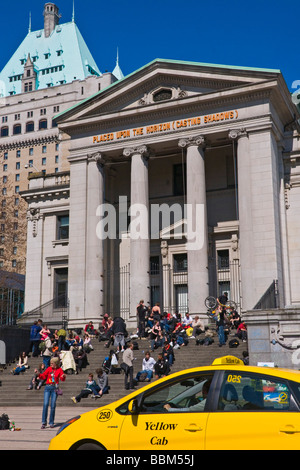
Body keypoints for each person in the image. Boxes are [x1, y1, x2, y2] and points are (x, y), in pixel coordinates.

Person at [39, 357, 66, 429]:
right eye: (50, 363)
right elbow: (43, 376)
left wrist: (63, 376)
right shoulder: (49, 369)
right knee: (45, 404)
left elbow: (62, 379)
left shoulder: (59, 370)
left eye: (52, 363)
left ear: (56, 364)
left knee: (53, 405)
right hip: (47, 387)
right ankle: (43, 422)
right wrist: (38, 374)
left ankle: (51, 422)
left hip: (54, 388)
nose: (51, 364)